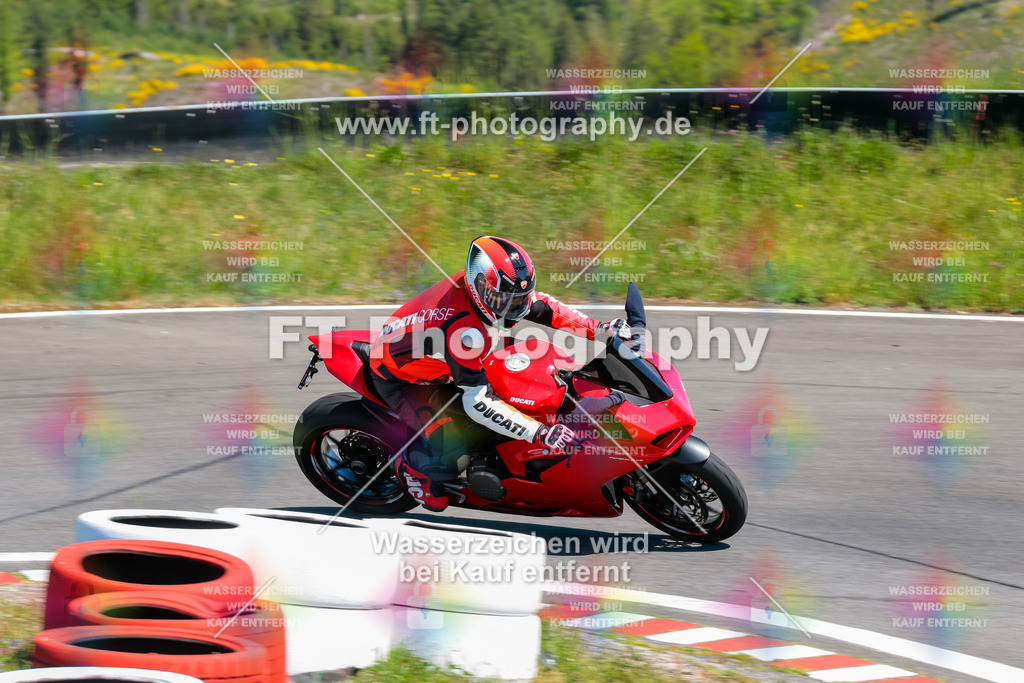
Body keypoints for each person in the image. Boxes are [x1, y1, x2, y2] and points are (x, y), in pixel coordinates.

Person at [369, 235, 631, 511]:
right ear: (479, 285)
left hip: (444, 354)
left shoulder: (484, 291)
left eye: (519, 299)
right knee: (451, 450)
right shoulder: (466, 333)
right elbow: (477, 403)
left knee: (537, 370)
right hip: (405, 379)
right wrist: (539, 432)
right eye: (506, 300)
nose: (516, 309)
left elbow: (544, 307)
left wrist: (599, 328)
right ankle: (413, 472)